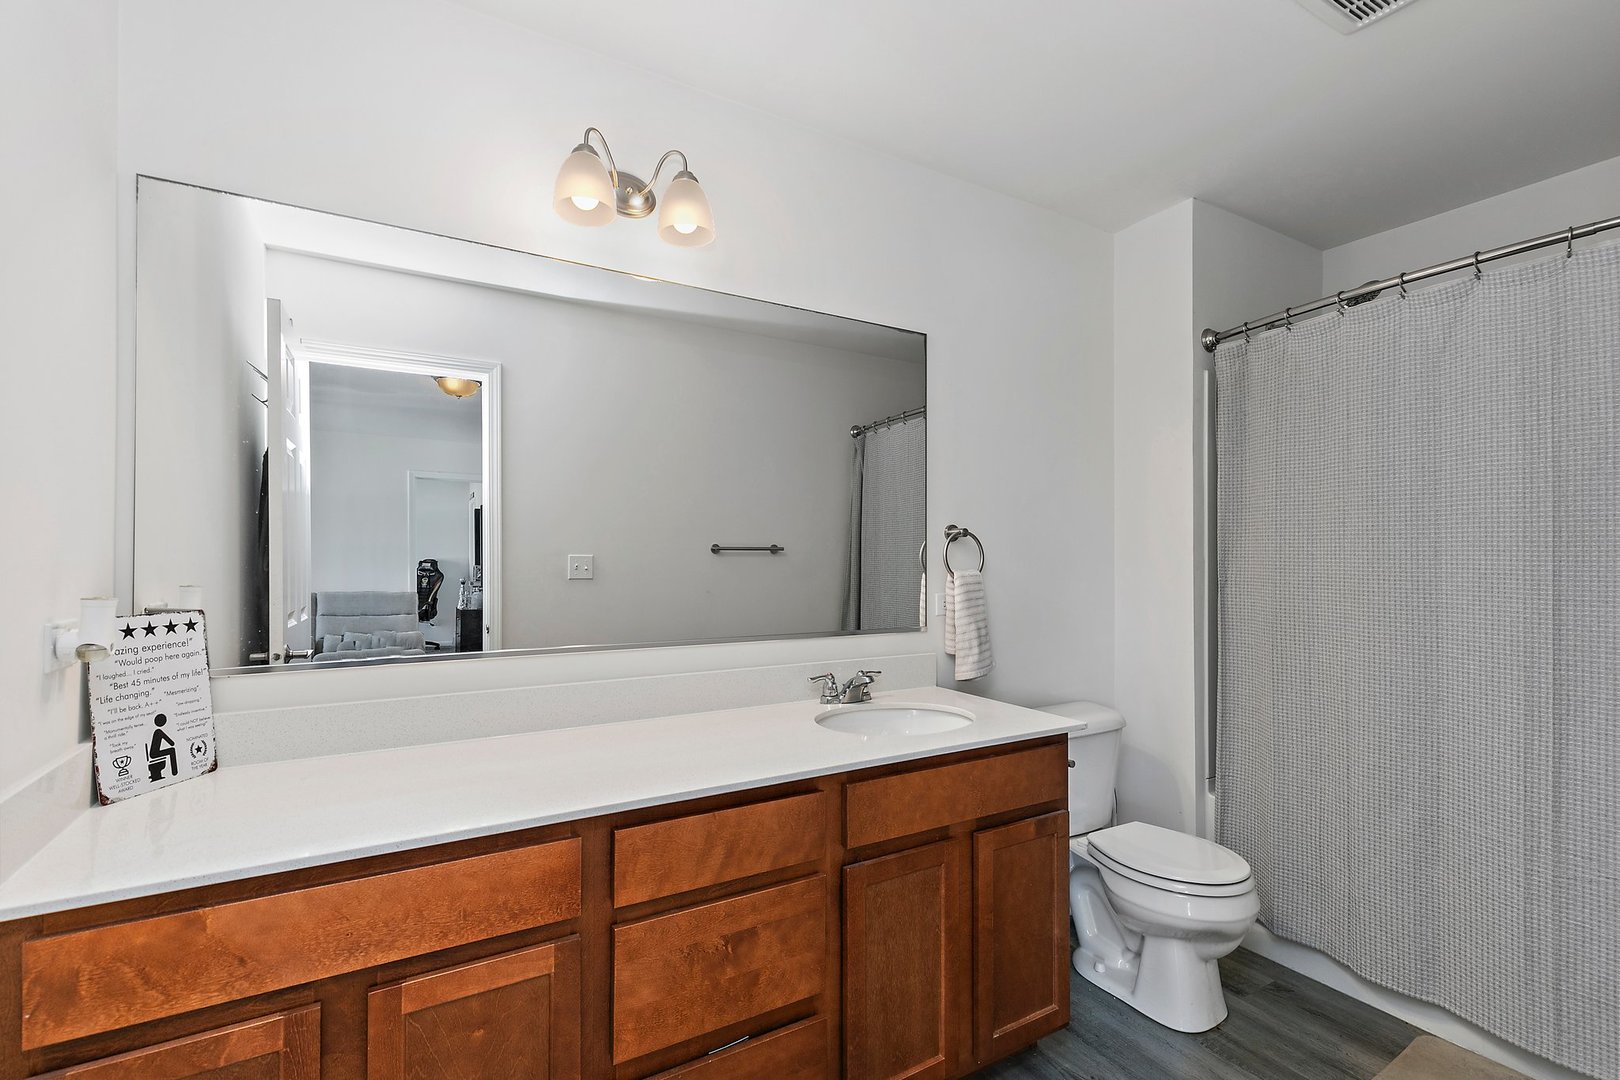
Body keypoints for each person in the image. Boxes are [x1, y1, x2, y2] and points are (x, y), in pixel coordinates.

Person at [147, 714, 179, 781]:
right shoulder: (158, 731)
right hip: (154, 753)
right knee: (172, 750)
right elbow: (171, 742)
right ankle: (174, 771)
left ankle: (174, 772)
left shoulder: (157, 731)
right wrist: (171, 742)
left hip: (154, 753)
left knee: (172, 750)